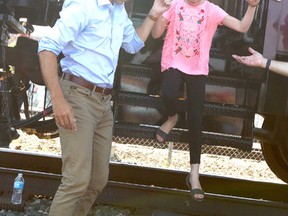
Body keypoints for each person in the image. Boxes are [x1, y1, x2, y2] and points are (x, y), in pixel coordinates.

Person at [37, 0, 171, 215]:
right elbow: (46, 47)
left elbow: (133, 44)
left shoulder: (118, 11)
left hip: (102, 101)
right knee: (76, 180)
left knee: (97, 180)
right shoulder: (84, 6)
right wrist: (58, 99)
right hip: (78, 94)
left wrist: (153, 15)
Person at [151, 0, 260, 202]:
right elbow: (156, 34)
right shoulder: (174, 4)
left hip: (197, 69)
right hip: (173, 62)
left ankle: (194, 175)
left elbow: (242, 27)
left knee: (195, 119)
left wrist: (252, 7)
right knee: (168, 92)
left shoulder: (211, 10)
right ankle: (172, 118)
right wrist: (158, 14)